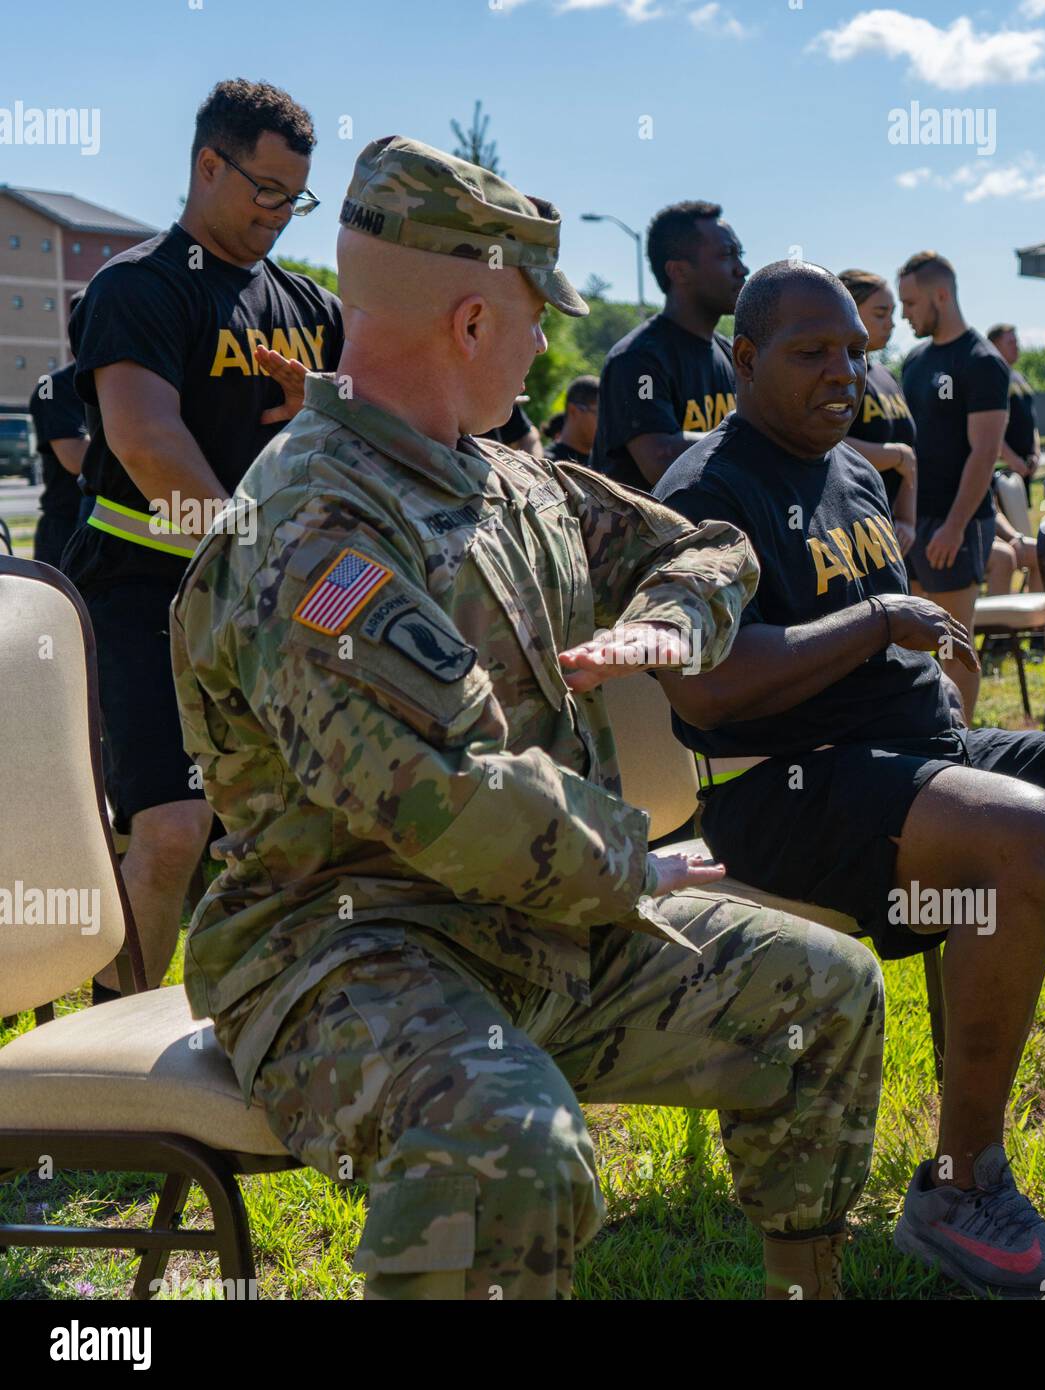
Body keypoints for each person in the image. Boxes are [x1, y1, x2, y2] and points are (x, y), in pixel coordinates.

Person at [171, 139, 886, 1302]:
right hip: (345, 943)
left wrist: (668, 623)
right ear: (467, 324)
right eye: (532, 316)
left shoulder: (501, 472)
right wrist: (633, 864)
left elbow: (704, 547)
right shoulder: (311, 529)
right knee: (508, 1145)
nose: (548, 341)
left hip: (537, 926)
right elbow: (448, 797)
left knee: (825, 991)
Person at [653, 260, 1045, 1300]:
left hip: (917, 759)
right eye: (809, 354)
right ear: (742, 360)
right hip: (785, 788)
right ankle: (958, 1185)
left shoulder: (842, 470)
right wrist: (880, 620)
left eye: (852, 351)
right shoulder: (706, 490)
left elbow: (872, 635)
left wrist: (923, 651)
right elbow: (707, 688)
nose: (842, 372)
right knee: (1025, 838)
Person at [60, 79, 344, 1002]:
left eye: (295, 196)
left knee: (290, 825)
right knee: (175, 828)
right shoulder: (136, 286)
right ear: (207, 165)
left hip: (267, 595)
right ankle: (109, 1035)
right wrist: (252, 553)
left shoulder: (309, 305)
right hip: (143, 594)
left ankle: (275, 1020)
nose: (280, 214)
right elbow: (147, 444)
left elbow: (381, 425)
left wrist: (330, 404)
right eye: (265, 190)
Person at [898, 251, 1009, 716]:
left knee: (951, 640)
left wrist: (955, 526)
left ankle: (961, 742)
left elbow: (985, 453)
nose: (905, 314)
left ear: (941, 295)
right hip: (917, 522)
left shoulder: (982, 361)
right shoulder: (916, 361)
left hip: (956, 524)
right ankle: (930, 735)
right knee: (917, 641)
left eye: (912, 303)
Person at [589, 201, 747, 489]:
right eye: (727, 255)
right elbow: (660, 460)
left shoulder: (728, 352)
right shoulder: (638, 359)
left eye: (740, 254)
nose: (742, 268)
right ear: (679, 272)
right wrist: (757, 440)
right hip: (650, 534)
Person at [838, 269, 917, 559]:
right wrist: (895, 455)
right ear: (848, 311)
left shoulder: (885, 375)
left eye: (893, 314)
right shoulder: (836, 375)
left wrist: (907, 520)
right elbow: (830, 445)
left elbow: (910, 454)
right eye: (881, 313)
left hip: (892, 533)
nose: (892, 324)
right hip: (850, 529)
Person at [28, 295, 88, 571]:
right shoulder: (55, 388)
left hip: (117, 536)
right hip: (67, 531)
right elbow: (75, 459)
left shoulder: (141, 382)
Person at [986, 323, 1041, 480]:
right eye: (1010, 343)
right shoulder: (990, 379)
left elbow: (1032, 422)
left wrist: (1036, 454)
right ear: (994, 345)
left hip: (1024, 467)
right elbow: (989, 427)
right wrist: (1012, 459)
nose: (1016, 347)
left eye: (1016, 342)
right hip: (1003, 471)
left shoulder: (1019, 378)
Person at [545, 374, 599, 465]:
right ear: (573, 411)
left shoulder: (606, 468)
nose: (607, 423)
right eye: (599, 413)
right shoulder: (545, 464)